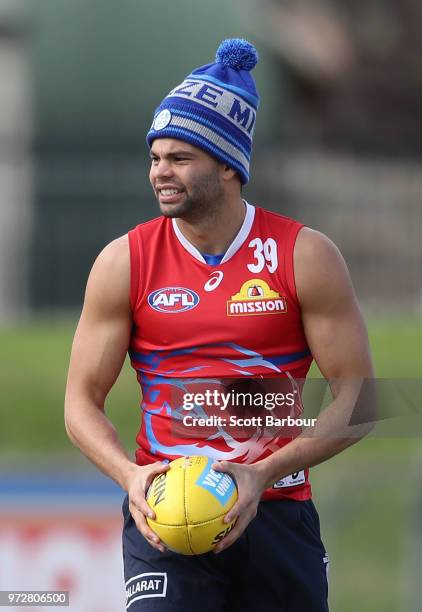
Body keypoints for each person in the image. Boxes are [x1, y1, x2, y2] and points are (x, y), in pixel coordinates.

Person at [65, 39, 374, 611]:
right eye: (156, 157)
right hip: (164, 519)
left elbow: (359, 397)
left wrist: (266, 472)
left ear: (229, 165)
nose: (161, 172)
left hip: (278, 512)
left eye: (181, 158)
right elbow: (81, 401)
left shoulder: (303, 255)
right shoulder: (122, 262)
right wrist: (131, 477)